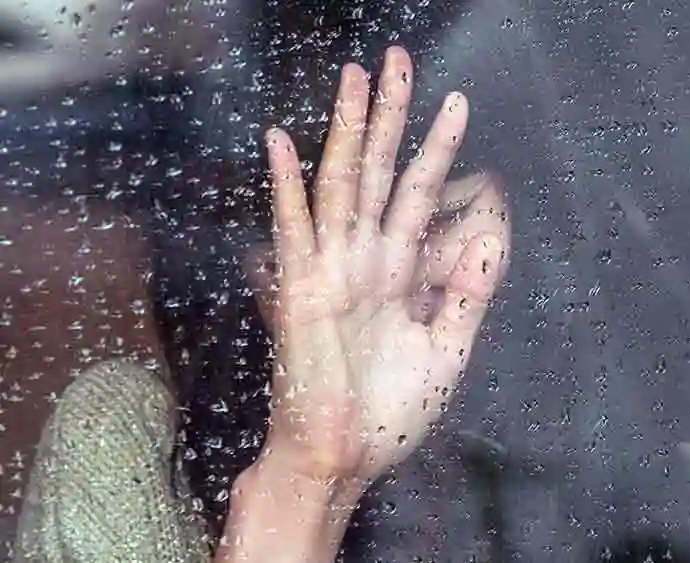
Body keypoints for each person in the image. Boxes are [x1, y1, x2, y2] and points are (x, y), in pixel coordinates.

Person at [12, 45, 512, 562]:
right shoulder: (126, 441)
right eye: (427, 219)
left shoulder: (503, 487)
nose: (476, 265)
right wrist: (307, 478)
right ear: (272, 271)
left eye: (465, 214)